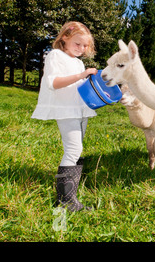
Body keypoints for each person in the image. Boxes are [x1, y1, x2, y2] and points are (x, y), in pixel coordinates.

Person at [32, 21, 98, 212]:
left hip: (79, 108)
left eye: (85, 46)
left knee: (77, 149)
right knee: (73, 148)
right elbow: (54, 82)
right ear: (64, 38)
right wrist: (81, 75)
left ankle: (70, 195)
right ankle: (65, 201)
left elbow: (80, 87)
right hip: (66, 109)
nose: (82, 49)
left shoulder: (78, 61)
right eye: (78, 44)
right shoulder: (55, 55)